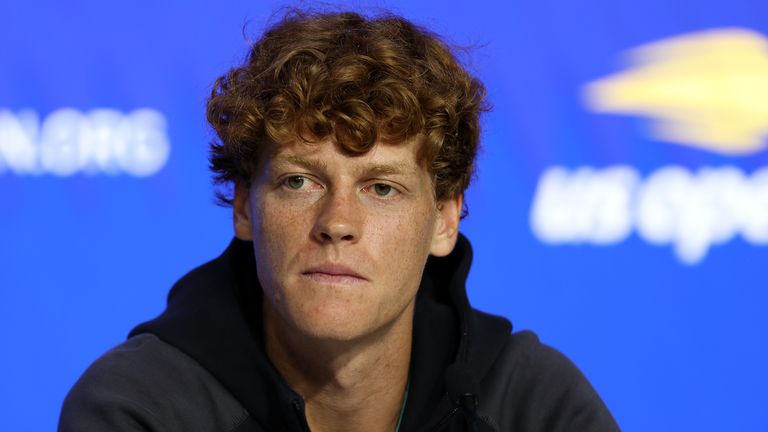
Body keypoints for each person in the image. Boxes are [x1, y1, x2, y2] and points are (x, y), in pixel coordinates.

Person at [59, 8, 619, 432]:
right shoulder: (141, 408)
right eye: (300, 181)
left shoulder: (534, 408)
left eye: (381, 187)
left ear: (444, 221)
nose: (337, 222)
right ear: (243, 206)